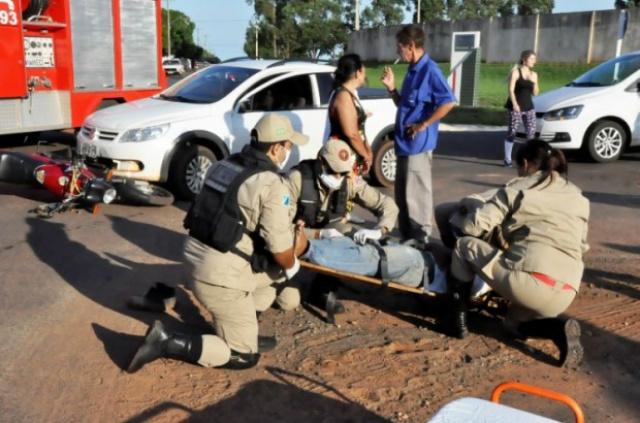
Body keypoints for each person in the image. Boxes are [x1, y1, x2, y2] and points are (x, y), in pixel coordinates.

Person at [127, 114, 310, 373]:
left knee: (275, 274)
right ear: (276, 147)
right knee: (244, 355)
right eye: (289, 145)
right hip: (222, 279)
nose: (289, 151)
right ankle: (167, 342)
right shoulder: (272, 184)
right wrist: (295, 258)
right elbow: (280, 249)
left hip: (194, 260)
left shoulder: (224, 164)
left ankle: (242, 323)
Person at [447, 139, 589, 368]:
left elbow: (473, 228)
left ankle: (458, 320)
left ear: (525, 164)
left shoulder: (519, 189)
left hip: (529, 283)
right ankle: (555, 328)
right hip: (566, 291)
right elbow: (582, 246)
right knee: (511, 325)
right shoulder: (579, 198)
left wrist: (468, 212)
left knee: (464, 246)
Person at [285, 139, 399, 314]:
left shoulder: (349, 180)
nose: (338, 177)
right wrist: (318, 234)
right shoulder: (296, 180)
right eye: (333, 171)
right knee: (288, 301)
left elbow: (386, 204)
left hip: (325, 234)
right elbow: (281, 228)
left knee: (351, 235)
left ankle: (322, 288)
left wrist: (380, 230)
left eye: (343, 172)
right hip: (293, 242)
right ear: (320, 161)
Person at [380, 24, 457, 247]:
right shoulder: (412, 71)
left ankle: (420, 242)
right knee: (403, 196)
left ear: (411, 46)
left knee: (417, 196)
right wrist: (392, 89)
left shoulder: (430, 71)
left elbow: (449, 101)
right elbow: (404, 105)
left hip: (418, 146)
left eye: (400, 47)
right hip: (404, 144)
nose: (398, 52)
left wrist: (423, 124)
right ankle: (408, 239)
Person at [327, 53, 373, 174]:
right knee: (346, 191)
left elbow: (359, 128)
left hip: (352, 155)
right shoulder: (343, 96)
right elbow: (351, 133)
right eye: (364, 72)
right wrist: (365, 155)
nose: (365, 75)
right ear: (357, 73)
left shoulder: (351, 94)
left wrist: (367, 149)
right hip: (342, 157)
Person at [504, 50, 539, 167]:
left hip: (529, 107)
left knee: (531, 134)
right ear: (524, 60)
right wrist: (515, 104)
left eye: (535, 59)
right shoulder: (516, 72)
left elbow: (536, 93)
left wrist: (534, 82)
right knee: (512, 132)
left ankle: (528, 159)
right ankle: (507, 158)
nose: (534, 61)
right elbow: (510, 90)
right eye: (532, 59)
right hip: (516, 107)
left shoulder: (534, 74)